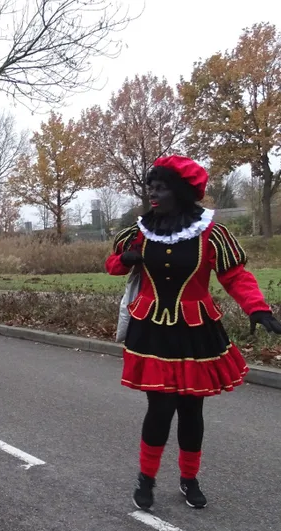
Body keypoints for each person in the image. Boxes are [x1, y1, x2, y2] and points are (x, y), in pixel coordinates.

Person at [106, 155, 281, 511]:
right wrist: (126, 260)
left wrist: (259, 309)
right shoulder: (141, 231)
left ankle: (189, 479)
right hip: (152, 329)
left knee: (191, 409)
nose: (153, 194)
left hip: (195, 330)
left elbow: (235, 276)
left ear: (182, 192)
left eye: (161, 187)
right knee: (159, 407)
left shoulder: (211, 233)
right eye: (150, 188)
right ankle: (147, 478)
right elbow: (112, 264)